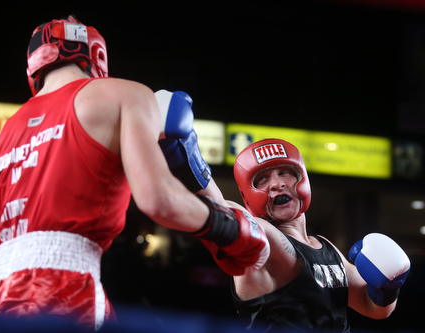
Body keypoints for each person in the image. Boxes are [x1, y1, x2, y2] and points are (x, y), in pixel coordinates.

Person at [0, 16, 269, 331]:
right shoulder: (122, 94)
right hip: (67, 290)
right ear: (96, 54)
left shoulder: (7, 131)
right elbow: (158, 201)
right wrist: (227, 229)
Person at [163, 131, 411, 331]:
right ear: (248, 195)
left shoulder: (325, 246)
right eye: (262, 179)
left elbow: (375, 309)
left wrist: (388, 286)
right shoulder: (264, 237)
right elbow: (223, 211)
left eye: (285, 173)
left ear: (302, 179)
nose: (277, 184)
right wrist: (185, 159)